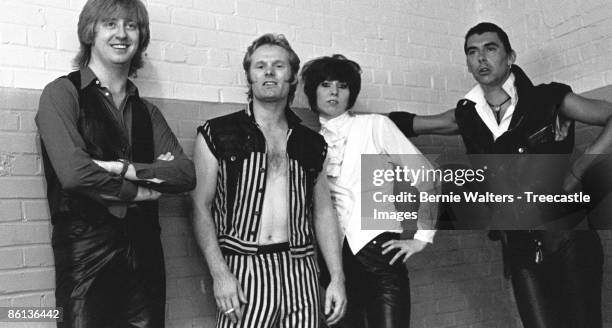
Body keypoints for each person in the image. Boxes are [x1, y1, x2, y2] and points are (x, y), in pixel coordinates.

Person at [389, 22, 612, 328]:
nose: (481, 57)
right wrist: (362, 121)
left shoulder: (550, 99)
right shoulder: (466, 115)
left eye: (490, 48)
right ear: (467, 63)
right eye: (472, 51)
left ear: (510, 56)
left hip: (569, 237)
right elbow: (414, 123)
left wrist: (578, 168)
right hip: (519, 246)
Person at [36, 0, 196, 328]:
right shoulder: (61, 94)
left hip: (145, 254)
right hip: (85, 253)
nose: (121, 34)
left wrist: (123, 168)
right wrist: (138, 189)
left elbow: (184, 175)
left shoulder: (147, 111)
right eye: (110, 23)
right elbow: (75, 175)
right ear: (90, 31)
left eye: (131, 25)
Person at [191, 34, 346, 328]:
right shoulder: (217, 133)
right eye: (260, 66)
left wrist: (337, 277)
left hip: (301, 269)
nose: (269, 72)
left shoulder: (311, 142)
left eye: (278, 65)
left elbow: (324, 212)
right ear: (249, 76)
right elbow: (200, 206)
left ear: (292, 77)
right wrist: (219, 273)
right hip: (243, 269)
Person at [300, 55, 437, 328]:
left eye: (343, 85)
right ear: (313, 90)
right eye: (326, 84)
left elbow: (427, 175)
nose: (334, 92)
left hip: (380, 257)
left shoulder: (375, 125)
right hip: (333, 264)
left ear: (351, 93)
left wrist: (422, 237)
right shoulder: (308, 142)